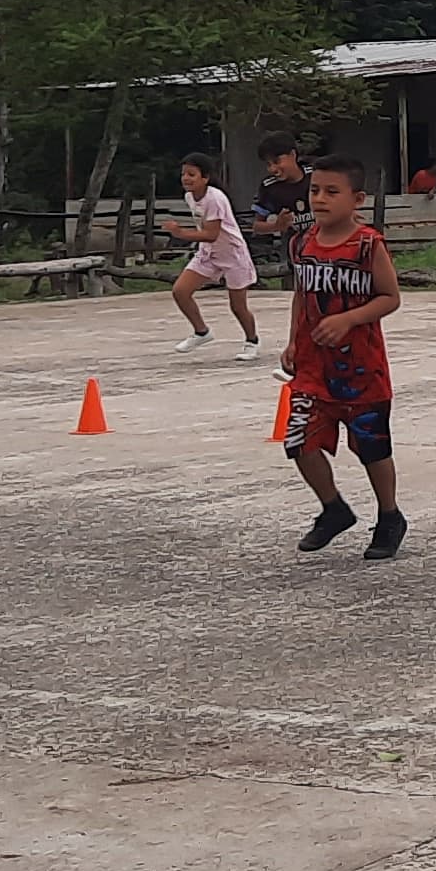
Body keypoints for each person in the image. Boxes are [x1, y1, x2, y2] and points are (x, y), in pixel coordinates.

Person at [279, 154, 407, 558]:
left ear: (357, 199)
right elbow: (301, 295)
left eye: (332, 192)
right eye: (315, 190)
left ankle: (389, 516)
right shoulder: (301, 243)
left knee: (372, 446)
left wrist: (349, 319)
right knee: (298, 439)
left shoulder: (368, 245)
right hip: (313, 366)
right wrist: (292, 342)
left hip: (360, 369)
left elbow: (390, 297)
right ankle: (333, 508)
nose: (320, 198)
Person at [160, 150, 262, 361]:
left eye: (192, 174)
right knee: (180, 291)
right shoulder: (189, 196)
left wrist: (180, 233)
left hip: (232, 254)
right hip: (208, 253)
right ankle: (201, 332)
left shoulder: (215, 199)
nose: (186, 178)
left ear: (205, 178)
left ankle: (252, 341)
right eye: (184, 174)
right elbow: (206, 235)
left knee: (238, 306)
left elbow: (211, 234)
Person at [244, 138, 311, 263]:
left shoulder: (315, 175)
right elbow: (257, 226)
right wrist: (276, 226)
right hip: (293, 251)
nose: (273, 169)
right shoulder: (269, 187)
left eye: (276, 161)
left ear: (293, 154)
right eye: (268, 164)